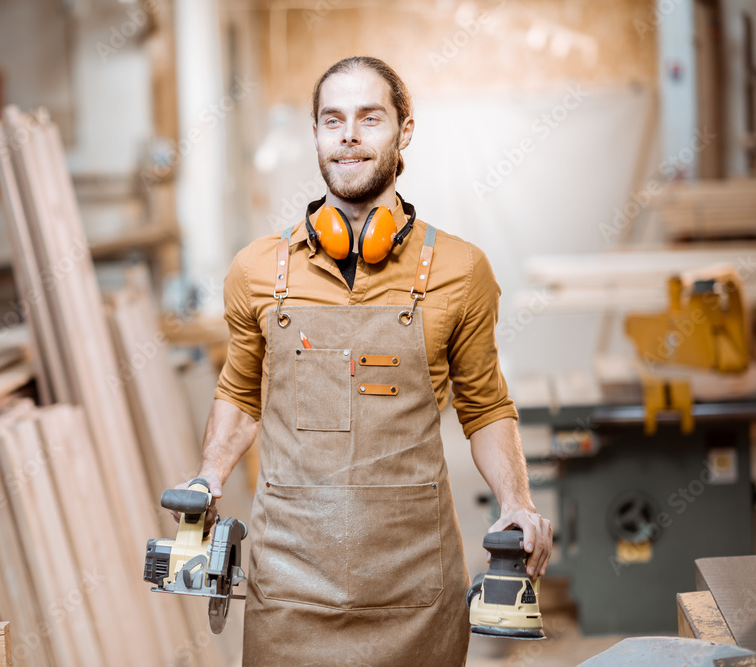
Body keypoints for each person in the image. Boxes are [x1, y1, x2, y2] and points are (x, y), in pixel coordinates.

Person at [179, 56, 552, 665]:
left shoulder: (461, 270)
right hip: (288, 586)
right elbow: (242, 394)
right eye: (333, 120)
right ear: (318, 135)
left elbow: (484, 406)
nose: (348, 134)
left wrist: (518, 503)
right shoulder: (255, 270)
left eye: (369, 118)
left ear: (404, 132)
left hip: (414, 587)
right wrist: (209, 477)